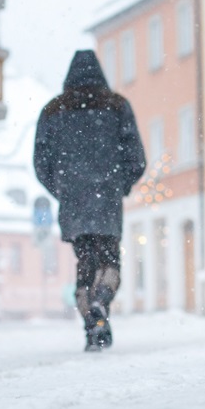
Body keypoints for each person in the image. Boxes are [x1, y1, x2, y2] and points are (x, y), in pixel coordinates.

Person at [34, 50, 145, 351]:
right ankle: (101, 303)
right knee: (109, 261)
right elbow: (136, 158)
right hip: (107, 195)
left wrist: (64, 188)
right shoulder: (118, 106)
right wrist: (118, 184)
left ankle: (91, 324)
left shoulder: (52, 111)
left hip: (74, 199)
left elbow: (40, 164)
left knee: (85, 262)